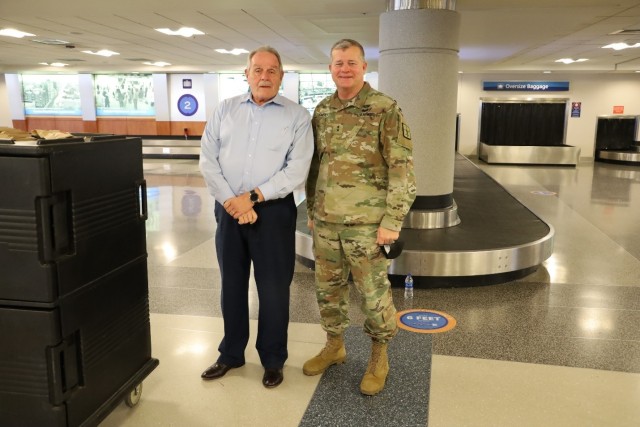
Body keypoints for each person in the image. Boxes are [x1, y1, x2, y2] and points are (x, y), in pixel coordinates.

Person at [303, 39, 416, 395]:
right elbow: (314, 166)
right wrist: (311, 211)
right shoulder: (322, 111)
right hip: (325, 222)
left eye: (351, 62)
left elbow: (402, 168)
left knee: (372, 294)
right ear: (331, 68)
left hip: (367, 225)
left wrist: (392, 221)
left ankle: (379, 356)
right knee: (327, 290)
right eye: (338, 63)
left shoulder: (385, 108)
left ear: (364, 67)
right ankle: (334, 346)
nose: (345, 69)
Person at [199, 46, 313, 388]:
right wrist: (232, 202)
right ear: (246, 74)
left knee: (274, 290)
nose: (264, 76)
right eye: (258, 70)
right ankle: (231, 354)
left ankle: (273, 359)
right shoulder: (225, 110)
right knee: (231, 286)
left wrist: (252, 197)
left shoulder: (297, 116)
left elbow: (297, 169)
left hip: (274, 211)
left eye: (272, 70)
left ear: (281, 76)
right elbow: (208, 160)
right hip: (229, 210)